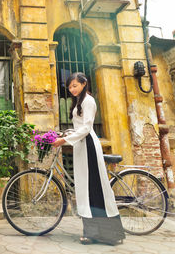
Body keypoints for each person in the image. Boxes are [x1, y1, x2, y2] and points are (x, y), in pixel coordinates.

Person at [53, 72, 125, 245]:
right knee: (85, 190)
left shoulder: (89, 101)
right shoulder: (78, 101)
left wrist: (63, 140)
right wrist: (67, 134)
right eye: (69, 87)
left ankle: (107, 234)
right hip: (81, 147)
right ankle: (92, 231)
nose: (72, 89)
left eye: (75, 86)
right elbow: (79, 128)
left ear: (84, 84)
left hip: (89, 147)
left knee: (94, 189)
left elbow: (86, 128)